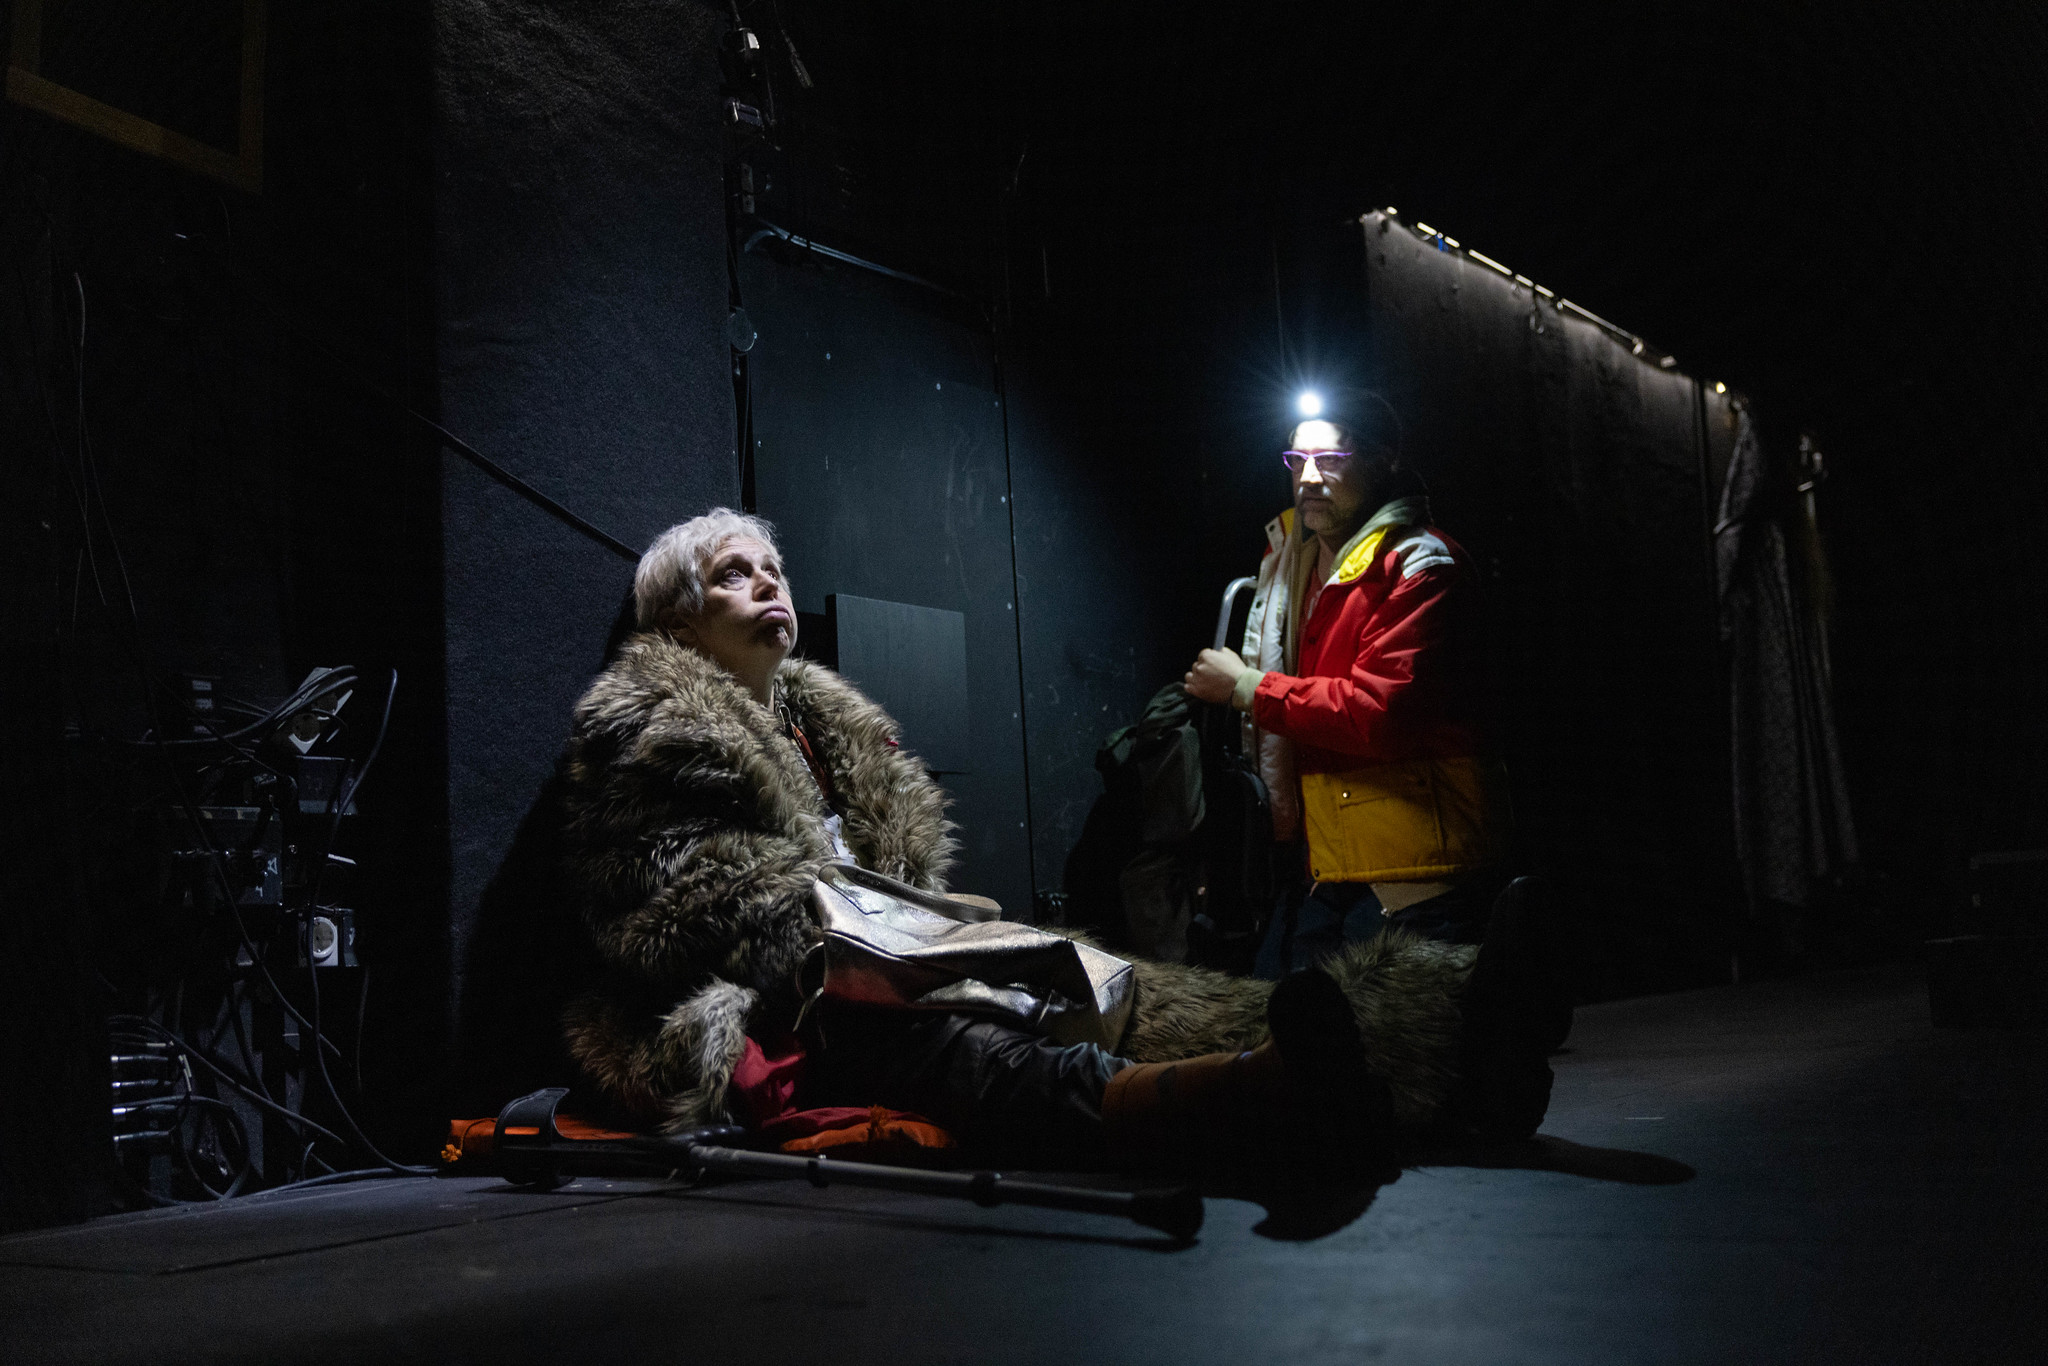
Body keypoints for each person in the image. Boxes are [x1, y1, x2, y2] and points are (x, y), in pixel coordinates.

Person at [552, 508, 1487, 1175]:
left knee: (1104, 984)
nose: (767, 583)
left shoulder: (820, 730)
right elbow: (685, 923)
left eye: (774, 569)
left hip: (891, 967)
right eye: (733, 573)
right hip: (777, 1012)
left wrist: (943, 943)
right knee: (959, 1043)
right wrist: (911, 947)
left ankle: (1433, 1037)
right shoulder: (656, 735)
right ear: (678, 621)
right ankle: (1251, 1100)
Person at [1184, 400, 1514, 969]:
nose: (1309, 476)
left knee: (1397, 1026)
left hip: (1416, 878)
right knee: (1290, 1013)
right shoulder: (1295, 564)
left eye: (1331, 458)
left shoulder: (1418, 565)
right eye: (1297, 460)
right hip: (1329, 867)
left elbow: (1378, 713)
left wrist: (1248, 688)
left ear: (1385, 459)